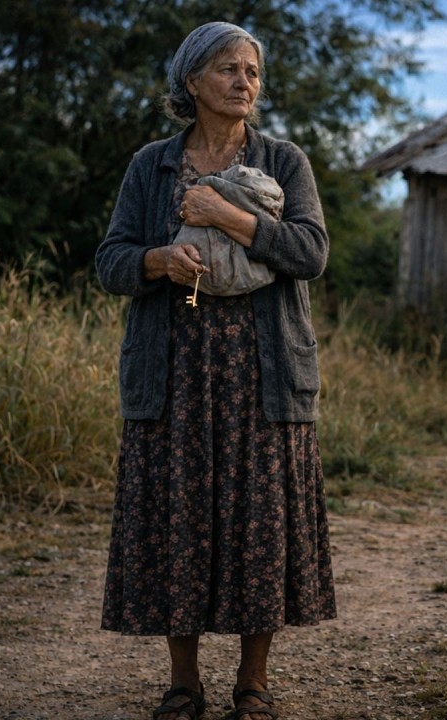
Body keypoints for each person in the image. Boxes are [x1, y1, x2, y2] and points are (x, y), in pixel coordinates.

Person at [95, 21, 336, 720]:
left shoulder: (284, 162)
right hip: (175, 377)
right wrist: (158, 261)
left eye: (253, 72)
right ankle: (183, 683)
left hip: (263, 376)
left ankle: (253, 684)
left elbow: (311, 252)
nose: (244, 83)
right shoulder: (151, 167)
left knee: (260, 524)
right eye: (229, 69)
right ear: (191, 81)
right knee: (179, 525)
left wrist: (228, 217)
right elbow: (110, 261)